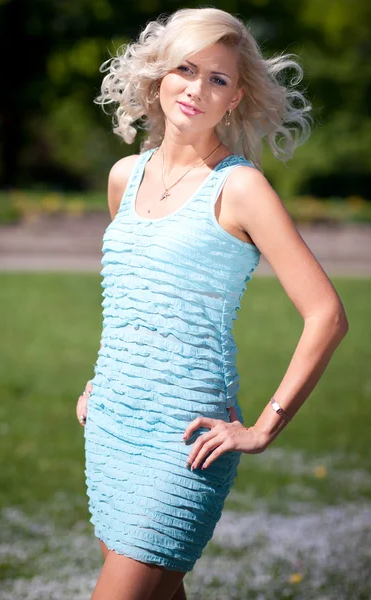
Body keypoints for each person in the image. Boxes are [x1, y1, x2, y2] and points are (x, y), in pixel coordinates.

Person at [75, 7, 349, 600]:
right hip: (111, 424)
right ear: (160, 75)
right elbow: (131, 295)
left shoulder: (241, 188)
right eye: (186, 69)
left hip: (187, 439)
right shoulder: (124, 176)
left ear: (236, 96)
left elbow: (326, 315)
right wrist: (102, 381)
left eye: (218, 79)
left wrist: (262, 429)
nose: (197, 89)